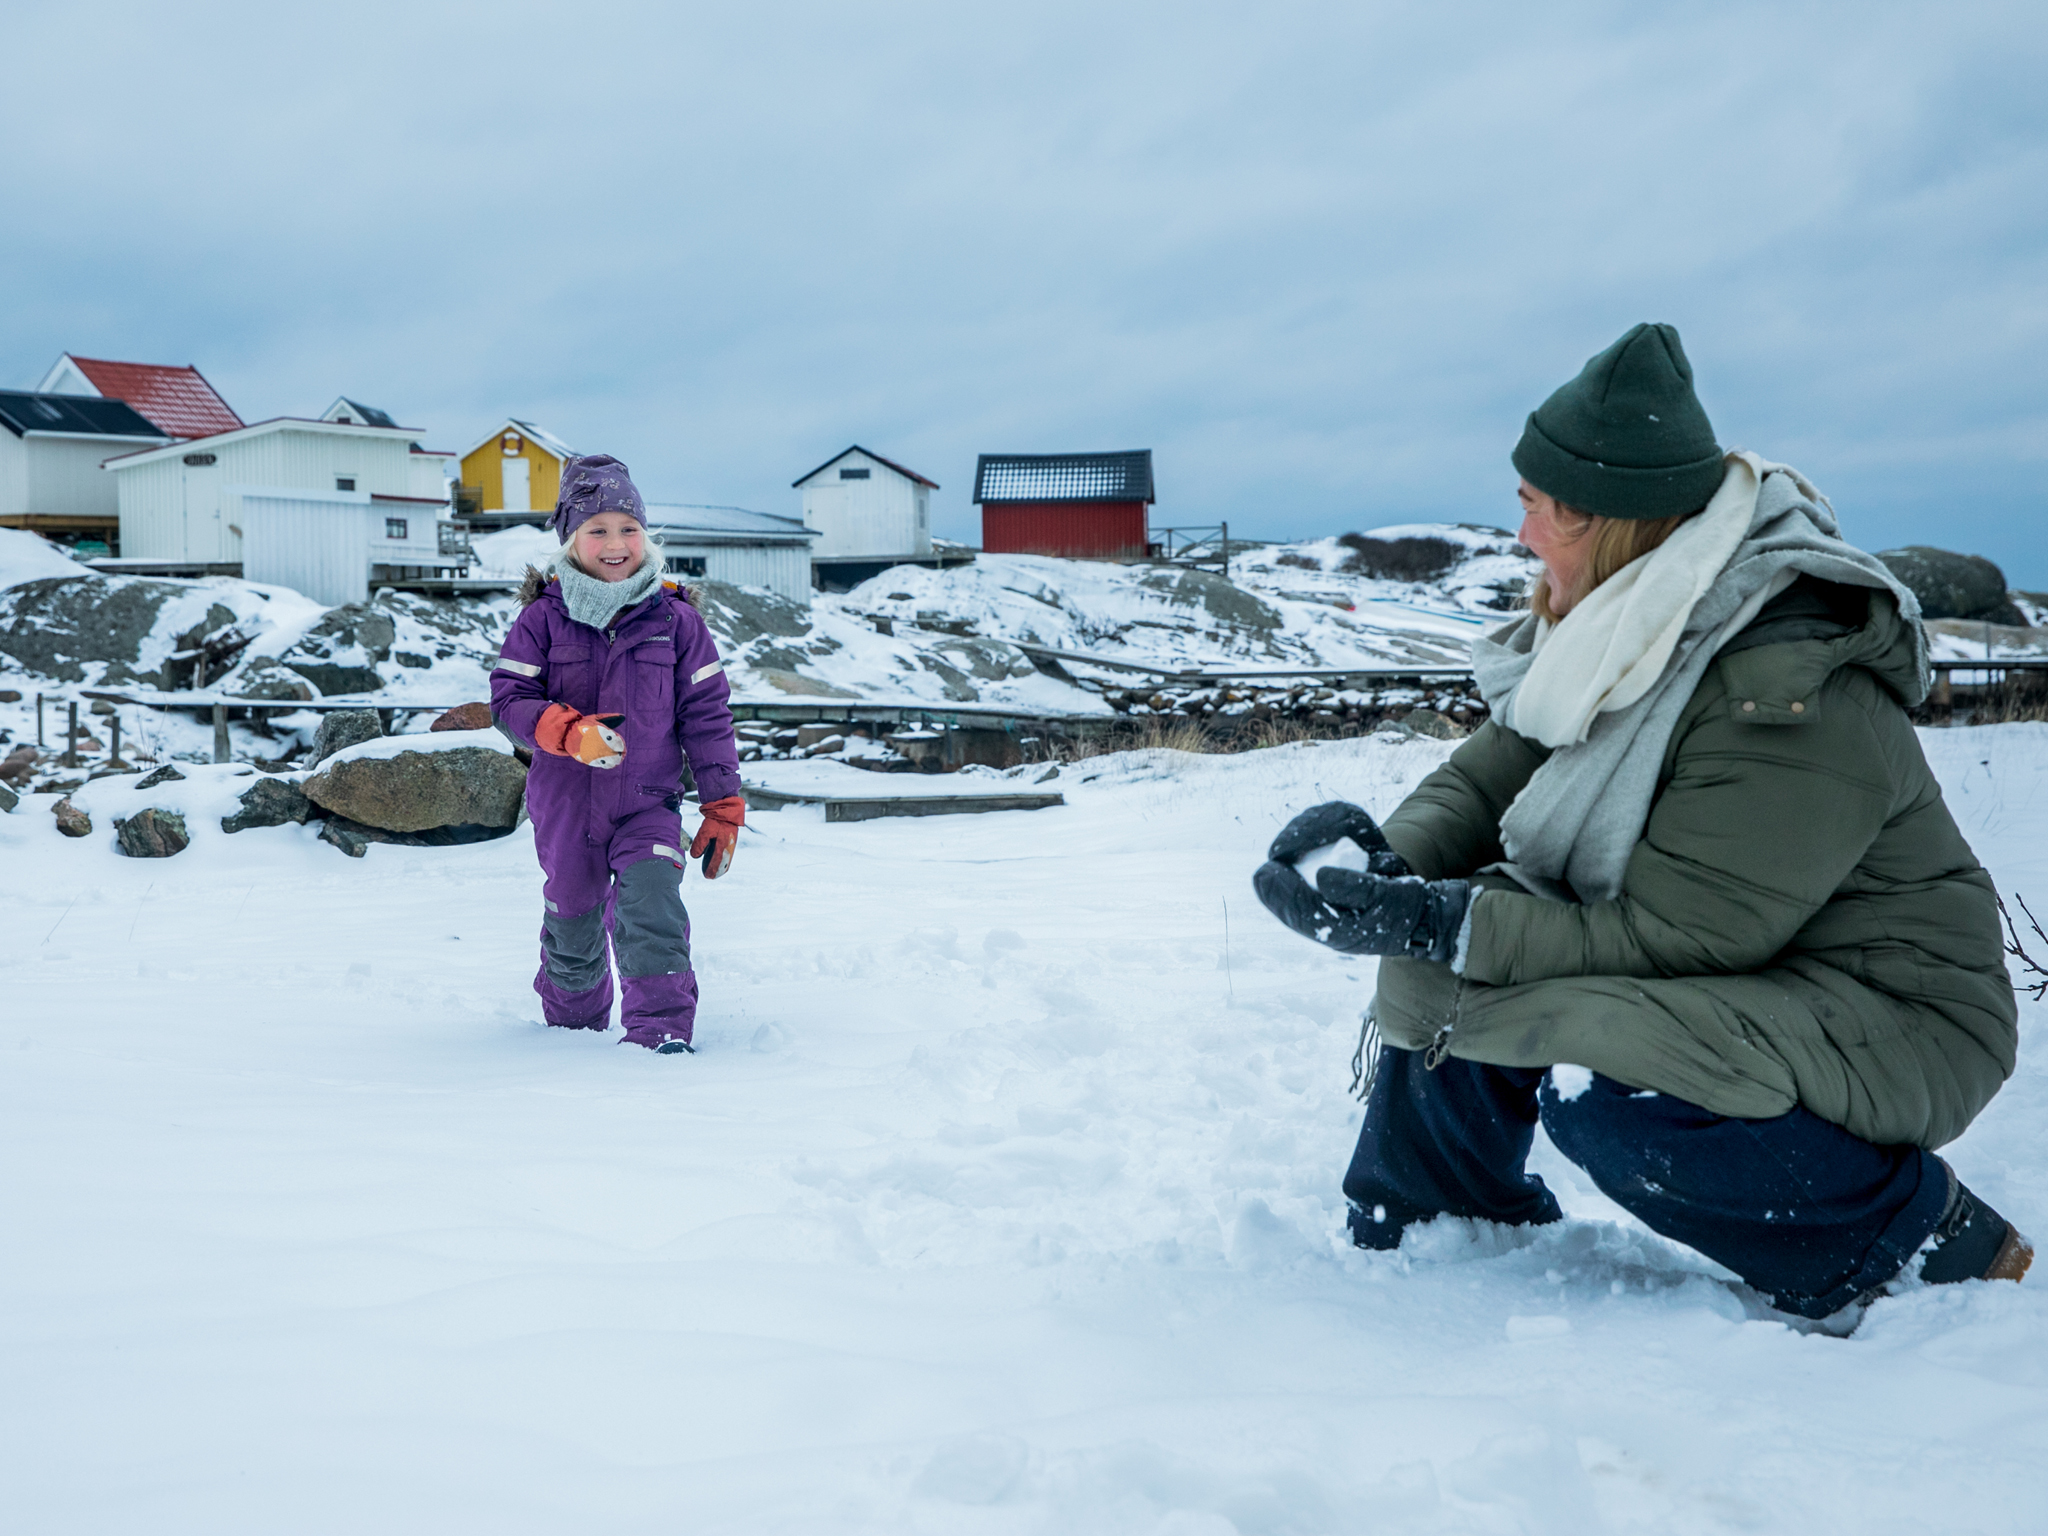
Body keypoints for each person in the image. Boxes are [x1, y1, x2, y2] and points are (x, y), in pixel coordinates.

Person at [1254, 323, 2029, 1325]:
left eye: (1543, 514)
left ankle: (1917, 1244)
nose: (1522, 539)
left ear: (1615, 524)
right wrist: (1383, 865)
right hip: (1745, 968)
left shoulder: (1781, 687)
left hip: (1894, 1012)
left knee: (1595, 1062)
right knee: (1442, 951)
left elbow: (1679, 933)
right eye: (1520, 506)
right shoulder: (1623, 629)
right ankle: (1441, 1227)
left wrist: (1443, 919)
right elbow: (1494, 770)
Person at [490, 454, 745, 1053]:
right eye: (597, 530)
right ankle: (571, 1031)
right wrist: (563, 729)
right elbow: (508, 700)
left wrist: (722, 803)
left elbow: (707, 717)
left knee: (652, 897)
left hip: (647, 802)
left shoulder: (678, 622)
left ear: (646, 536)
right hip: (566, 807)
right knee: (573, 919)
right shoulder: (541, 621)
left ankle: (661, 1032)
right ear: (570, 540)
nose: (615, 543)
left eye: (628, 528)